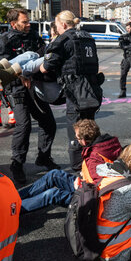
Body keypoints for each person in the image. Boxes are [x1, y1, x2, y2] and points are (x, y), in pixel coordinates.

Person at [0, 8, 57, 184]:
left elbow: (44, 53)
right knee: (24, 125)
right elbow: (1, 67)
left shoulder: (33, 36)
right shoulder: (4, 40)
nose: (29, 24)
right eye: (24, 22)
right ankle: (17, 165)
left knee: (48, 122)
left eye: (28, 21)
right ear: (14, 24)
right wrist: (21, 75)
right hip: (15, 88)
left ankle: (43, 157)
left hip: (34, 86)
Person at [40, 10, 103, 171]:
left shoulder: (64, 39)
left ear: (63, 24)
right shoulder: (87, 37)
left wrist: (36, 68)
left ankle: (77, 167)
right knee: (89, 126)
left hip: (75, 92)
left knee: (75, 128)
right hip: (92, 89)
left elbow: (47, 66)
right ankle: (93, 161)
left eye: (56, 25)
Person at [19, 119, 122, 212]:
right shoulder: (108, 144)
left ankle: (13, 208)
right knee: (54, 174)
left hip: (92, 200)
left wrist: (81, 185)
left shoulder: (94, 159)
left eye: (77, 138)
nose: (76, 140)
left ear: (84, 141)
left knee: (52, 194)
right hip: (89, 186)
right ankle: (15, 198)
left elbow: (98, 191)